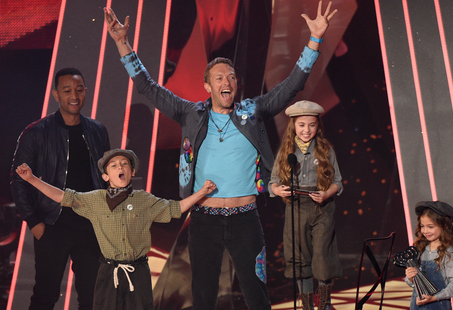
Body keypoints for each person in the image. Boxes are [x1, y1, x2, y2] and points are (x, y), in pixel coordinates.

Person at [103, 2, 337, 309]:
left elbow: (291, 86)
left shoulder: (252, 111)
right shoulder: (191, 114)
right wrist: (122, 43)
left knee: (256, 296)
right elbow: (148, 87)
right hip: (204, 221)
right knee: (203, 296)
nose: (227, 82)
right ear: (207, 85)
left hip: (245, 221)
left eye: (231, 77)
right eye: (219, 78)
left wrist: (315, 40)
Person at [15, 149, 217, 310]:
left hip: (137, 273)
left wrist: (202, 192)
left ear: (133, 172)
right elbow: (62, 197)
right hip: (108, 272)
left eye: (125, 164)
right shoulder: (94, 200)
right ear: (105, 176)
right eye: (114, 165)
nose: (120, 167)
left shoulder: (144, 200)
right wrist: (32, 179)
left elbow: (176, 208)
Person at [10, 67, 110, 310]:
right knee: (45, 296)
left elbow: (106, 178)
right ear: (56, 94)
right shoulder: (36, 132)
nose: (74, 95)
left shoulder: (97, 130)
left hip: (90, 225)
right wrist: (33, 222)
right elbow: (17, 180)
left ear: (85, 92)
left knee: (92, 298)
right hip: (53, 225)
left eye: (78, 89)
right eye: (67, 90)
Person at [269, 100, 343, 310]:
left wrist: (326, 193)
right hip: (296, 208)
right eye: (302, 125)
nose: (306, 130)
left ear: (318, 126)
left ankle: (325, 305)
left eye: (311, 125)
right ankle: (307, 305)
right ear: (293, 126)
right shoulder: (286, 151)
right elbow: (273, 181)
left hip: (321, 208)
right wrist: (278, 190)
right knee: (300, 259)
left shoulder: (326, 150)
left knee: (322, 257)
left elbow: (338, 182)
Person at [405, 201, 453, 310]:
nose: (425, 231)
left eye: (430, 227)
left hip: (437, 305)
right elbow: (412, 282)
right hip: (417, 304)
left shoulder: (448, 253)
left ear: (445, 226)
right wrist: (410, 277)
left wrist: (434, 297)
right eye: (422, 226)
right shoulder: (419, 250)